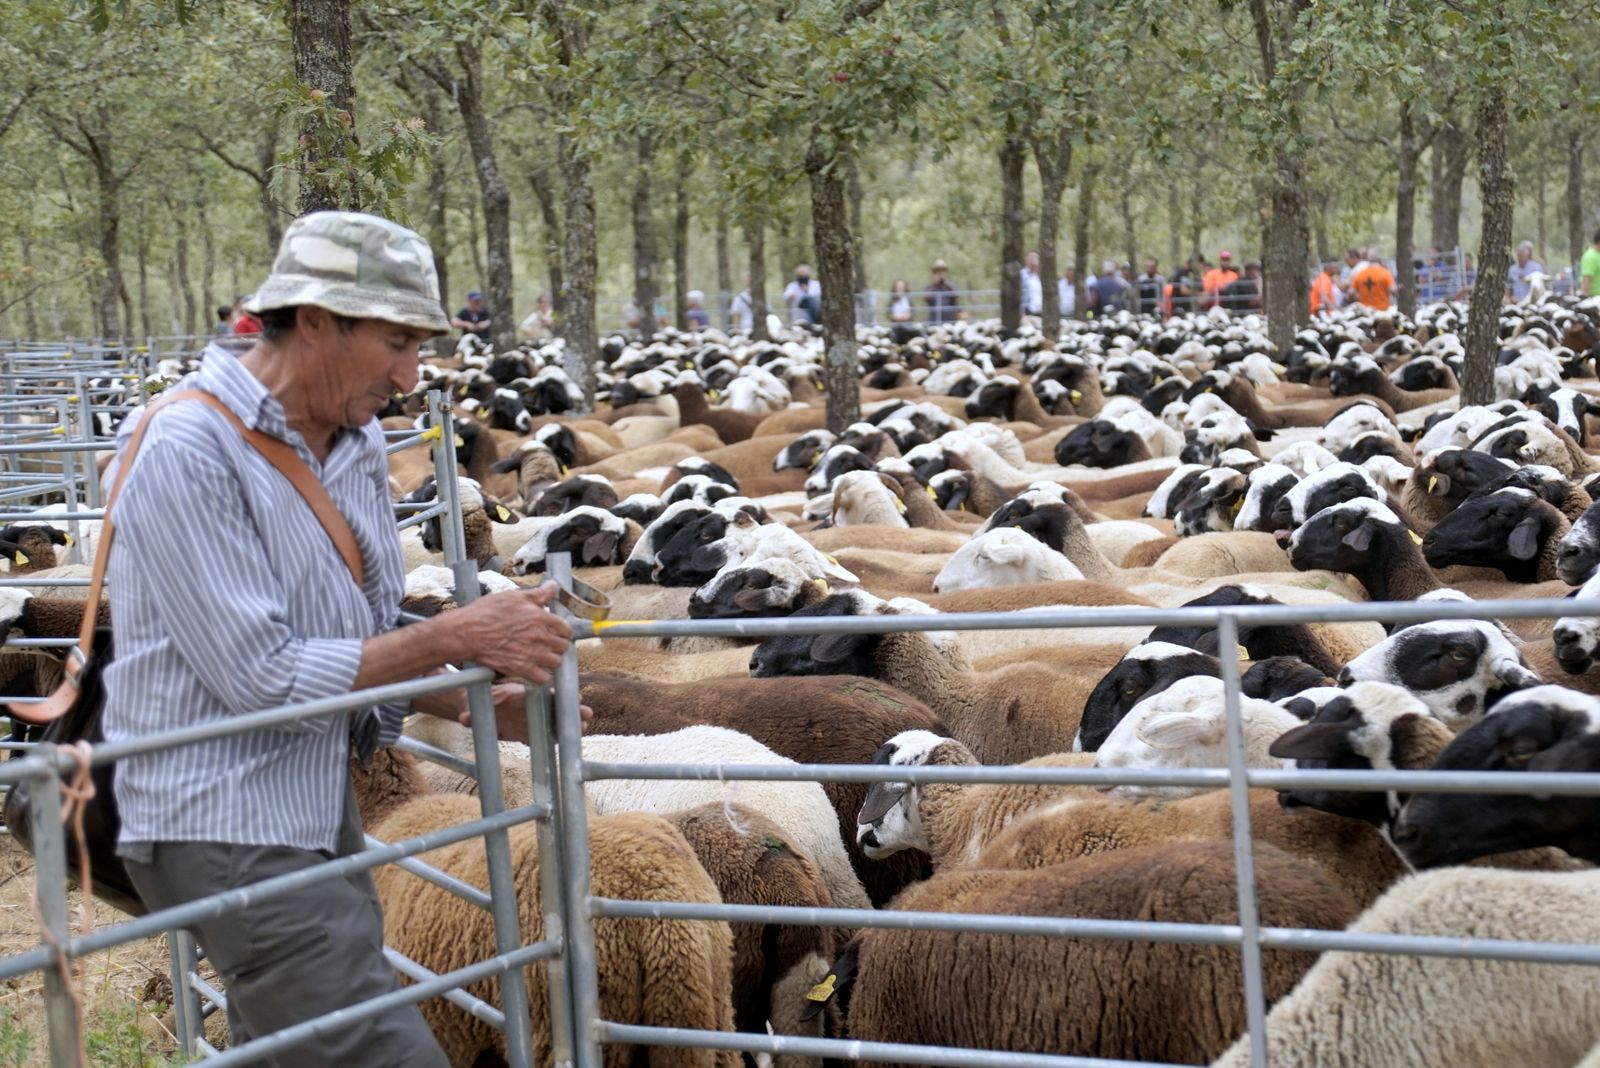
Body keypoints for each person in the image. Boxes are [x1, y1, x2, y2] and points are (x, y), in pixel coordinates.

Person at [103, 211, 581, 1068]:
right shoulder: (184, 447)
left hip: (316, 794)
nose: (410, 374)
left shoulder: (356, 441)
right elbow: (258, 675)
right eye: (396, 341)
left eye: (421, 343)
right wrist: (461, 630)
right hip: (217, 812)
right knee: (371, 1047)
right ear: (315, 320)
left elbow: (348, 635)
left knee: (281, 1044)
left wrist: (463, 692)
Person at [924, 259, 961, 323]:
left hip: (950, 321)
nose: (940, 274)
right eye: (937, 272)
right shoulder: (929, 287)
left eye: (943, 272)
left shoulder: (952, 285)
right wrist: (935, 284)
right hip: (934, 321)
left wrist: (947, 284)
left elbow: (957, 296)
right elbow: (925, 298)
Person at [1019, 251, 1044, 317]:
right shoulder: (1022, 275)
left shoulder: (1042, 276)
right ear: (1026, 260)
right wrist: (1021, 311)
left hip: (1041, 312)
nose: (1033, 260)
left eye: (1035, 258)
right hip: (1027, 311)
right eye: (1030, 258)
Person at [1580, 230, 1600, 299]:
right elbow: (1586, 279)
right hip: (1595, 299)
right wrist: (1585, 299)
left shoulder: (1598, 254)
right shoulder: (1590, 256)